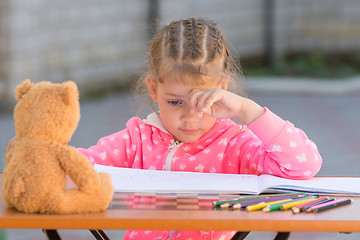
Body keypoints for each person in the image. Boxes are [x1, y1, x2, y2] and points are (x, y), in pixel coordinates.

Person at [9, 17, 322, 240]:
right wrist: (40, 160)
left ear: (223, 91)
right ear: (153, 90)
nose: (190, 117)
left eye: (203, 103)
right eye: (175, 103)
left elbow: (302, 167)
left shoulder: (236, 143)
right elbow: (81, 168)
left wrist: (246, 110)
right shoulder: (137, 138)